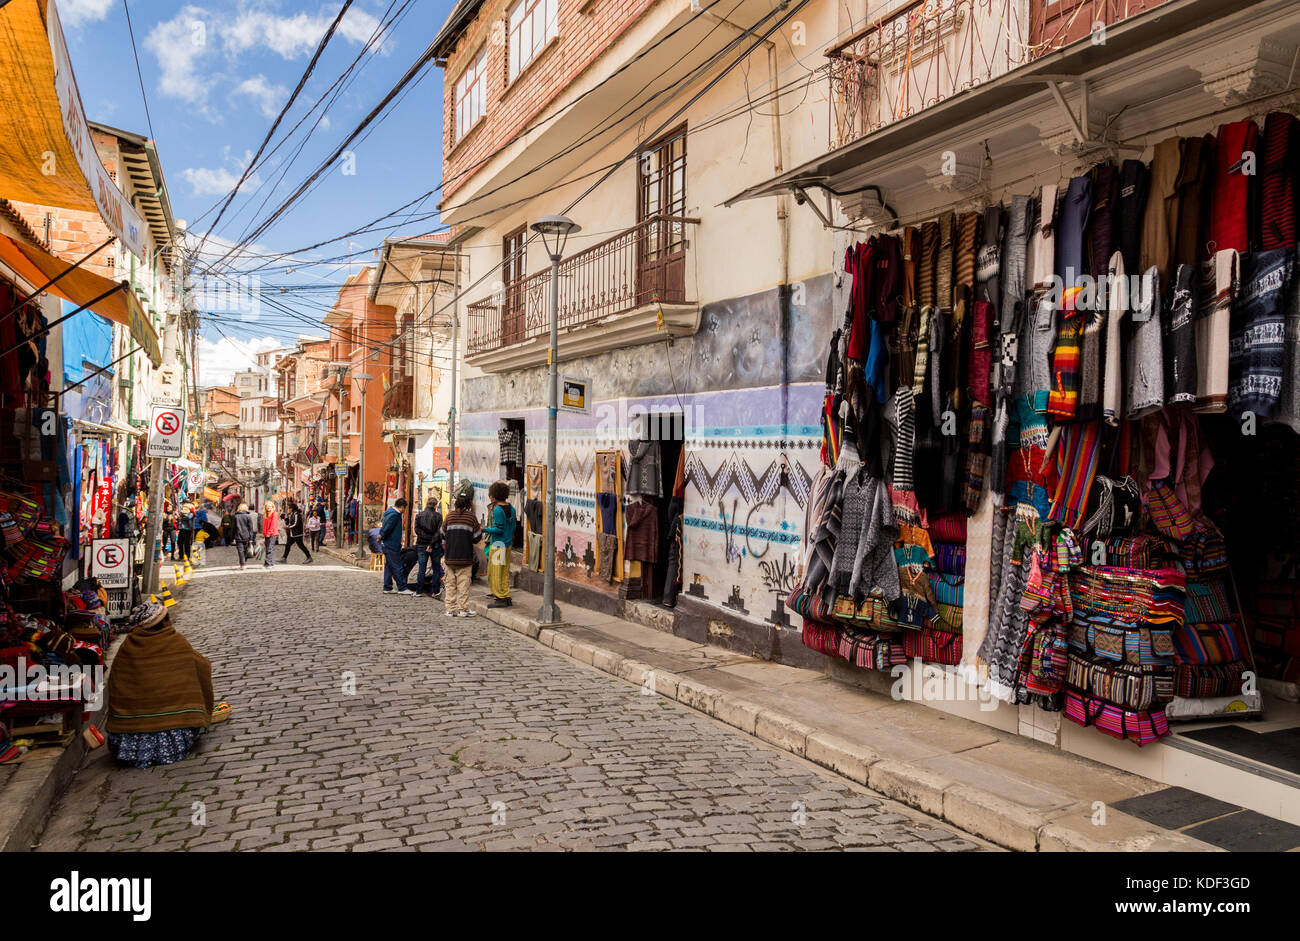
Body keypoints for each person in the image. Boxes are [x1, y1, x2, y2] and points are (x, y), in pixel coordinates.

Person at [105, 602, 228, 769]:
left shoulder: (127, 647)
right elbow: (202, 666)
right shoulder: (175, 640)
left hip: (128, 737)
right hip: (172, 738)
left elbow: (117, 682)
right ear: (163, 622)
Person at [442, 489, 482, 617]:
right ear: (468, 504)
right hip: (465, 557)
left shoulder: (449, 516)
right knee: (463, 584)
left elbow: (442, 534)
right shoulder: (471, 517)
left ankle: (450, 609)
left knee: (450, 584)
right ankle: (462, 609)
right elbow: (477, 537)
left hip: (449, 556)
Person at [484, 480, 517, 608]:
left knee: (495, 571)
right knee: (504, 570)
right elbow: (512, 527)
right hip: (508, 543)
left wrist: (485, 529)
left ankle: (500, 597)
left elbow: (498, 529)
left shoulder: (497, 510)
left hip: (498, 543)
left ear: (494, 495)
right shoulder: (512, 508)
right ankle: (506, 595)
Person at [380, 498, 415, 596]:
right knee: (397, 566)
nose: (404, 511)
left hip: (388, 543)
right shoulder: (395, 515)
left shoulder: (389, 513)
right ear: (402, 507)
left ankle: (387, 586)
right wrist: (381, 535)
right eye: (404, 508)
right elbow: (387, 528)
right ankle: (402, 587)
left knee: (389, 566)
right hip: (391, 544)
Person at [413, 497, 444, 598]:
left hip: (422, 544)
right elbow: (439, 533)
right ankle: (435, 591)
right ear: (435, 506)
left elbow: (416, 530)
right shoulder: (438, 516)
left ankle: (419, 591)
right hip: (434, 545)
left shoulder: (419, 515)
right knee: (436, 568)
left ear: (427, 504)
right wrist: (431, 544)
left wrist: (426, 539)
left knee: (422, 568)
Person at [280, 499, 314, 564]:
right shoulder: (292, 514)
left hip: (297, 533)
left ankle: (309, 557)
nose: (288, 509)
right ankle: (284, 558)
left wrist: (288, 527)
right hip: (293, 534)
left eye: (289, 508)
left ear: (292, 508)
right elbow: (291, 522)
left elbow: (296, 523)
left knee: (301, 546)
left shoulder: (296, 514)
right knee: (288, 545)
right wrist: (288, 524)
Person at [233, 503, 257, 570]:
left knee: (240, 550)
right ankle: (243, 563)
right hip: (247, 536)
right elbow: (250, 528)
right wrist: (251, 538)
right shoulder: (248, 516)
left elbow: (233, 528)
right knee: (246, 550)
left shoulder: (236, 516)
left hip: (238, 536)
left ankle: (242, 564)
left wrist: (232, 537)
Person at [262, 501, 280, 568]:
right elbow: (264, 525)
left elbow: (273, 524)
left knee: (270, 548)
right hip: (267, 534)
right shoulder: (266, 514)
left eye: (270, 506)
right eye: (267, 506)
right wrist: (264, 533)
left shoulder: (274, 514)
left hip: (272, 534)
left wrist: (269, 533)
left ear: (273, 507)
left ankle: (269, 563)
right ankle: (269, 563)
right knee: (267, 548)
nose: (268, 507)